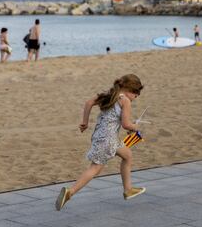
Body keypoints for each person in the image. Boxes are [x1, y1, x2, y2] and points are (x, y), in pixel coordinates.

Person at [55, 74, 146, 211]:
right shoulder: (125, 100)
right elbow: (126, 124)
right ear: (129, 89)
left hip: (101, 136)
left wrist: (85, 122)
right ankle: (70, 192)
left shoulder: (109, 95)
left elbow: (88, 103)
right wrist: (135, 127)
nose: (136, 97)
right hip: (108, 140)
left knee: (127, 155)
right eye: (136, 93)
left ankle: (128, 190)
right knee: (95, 168)